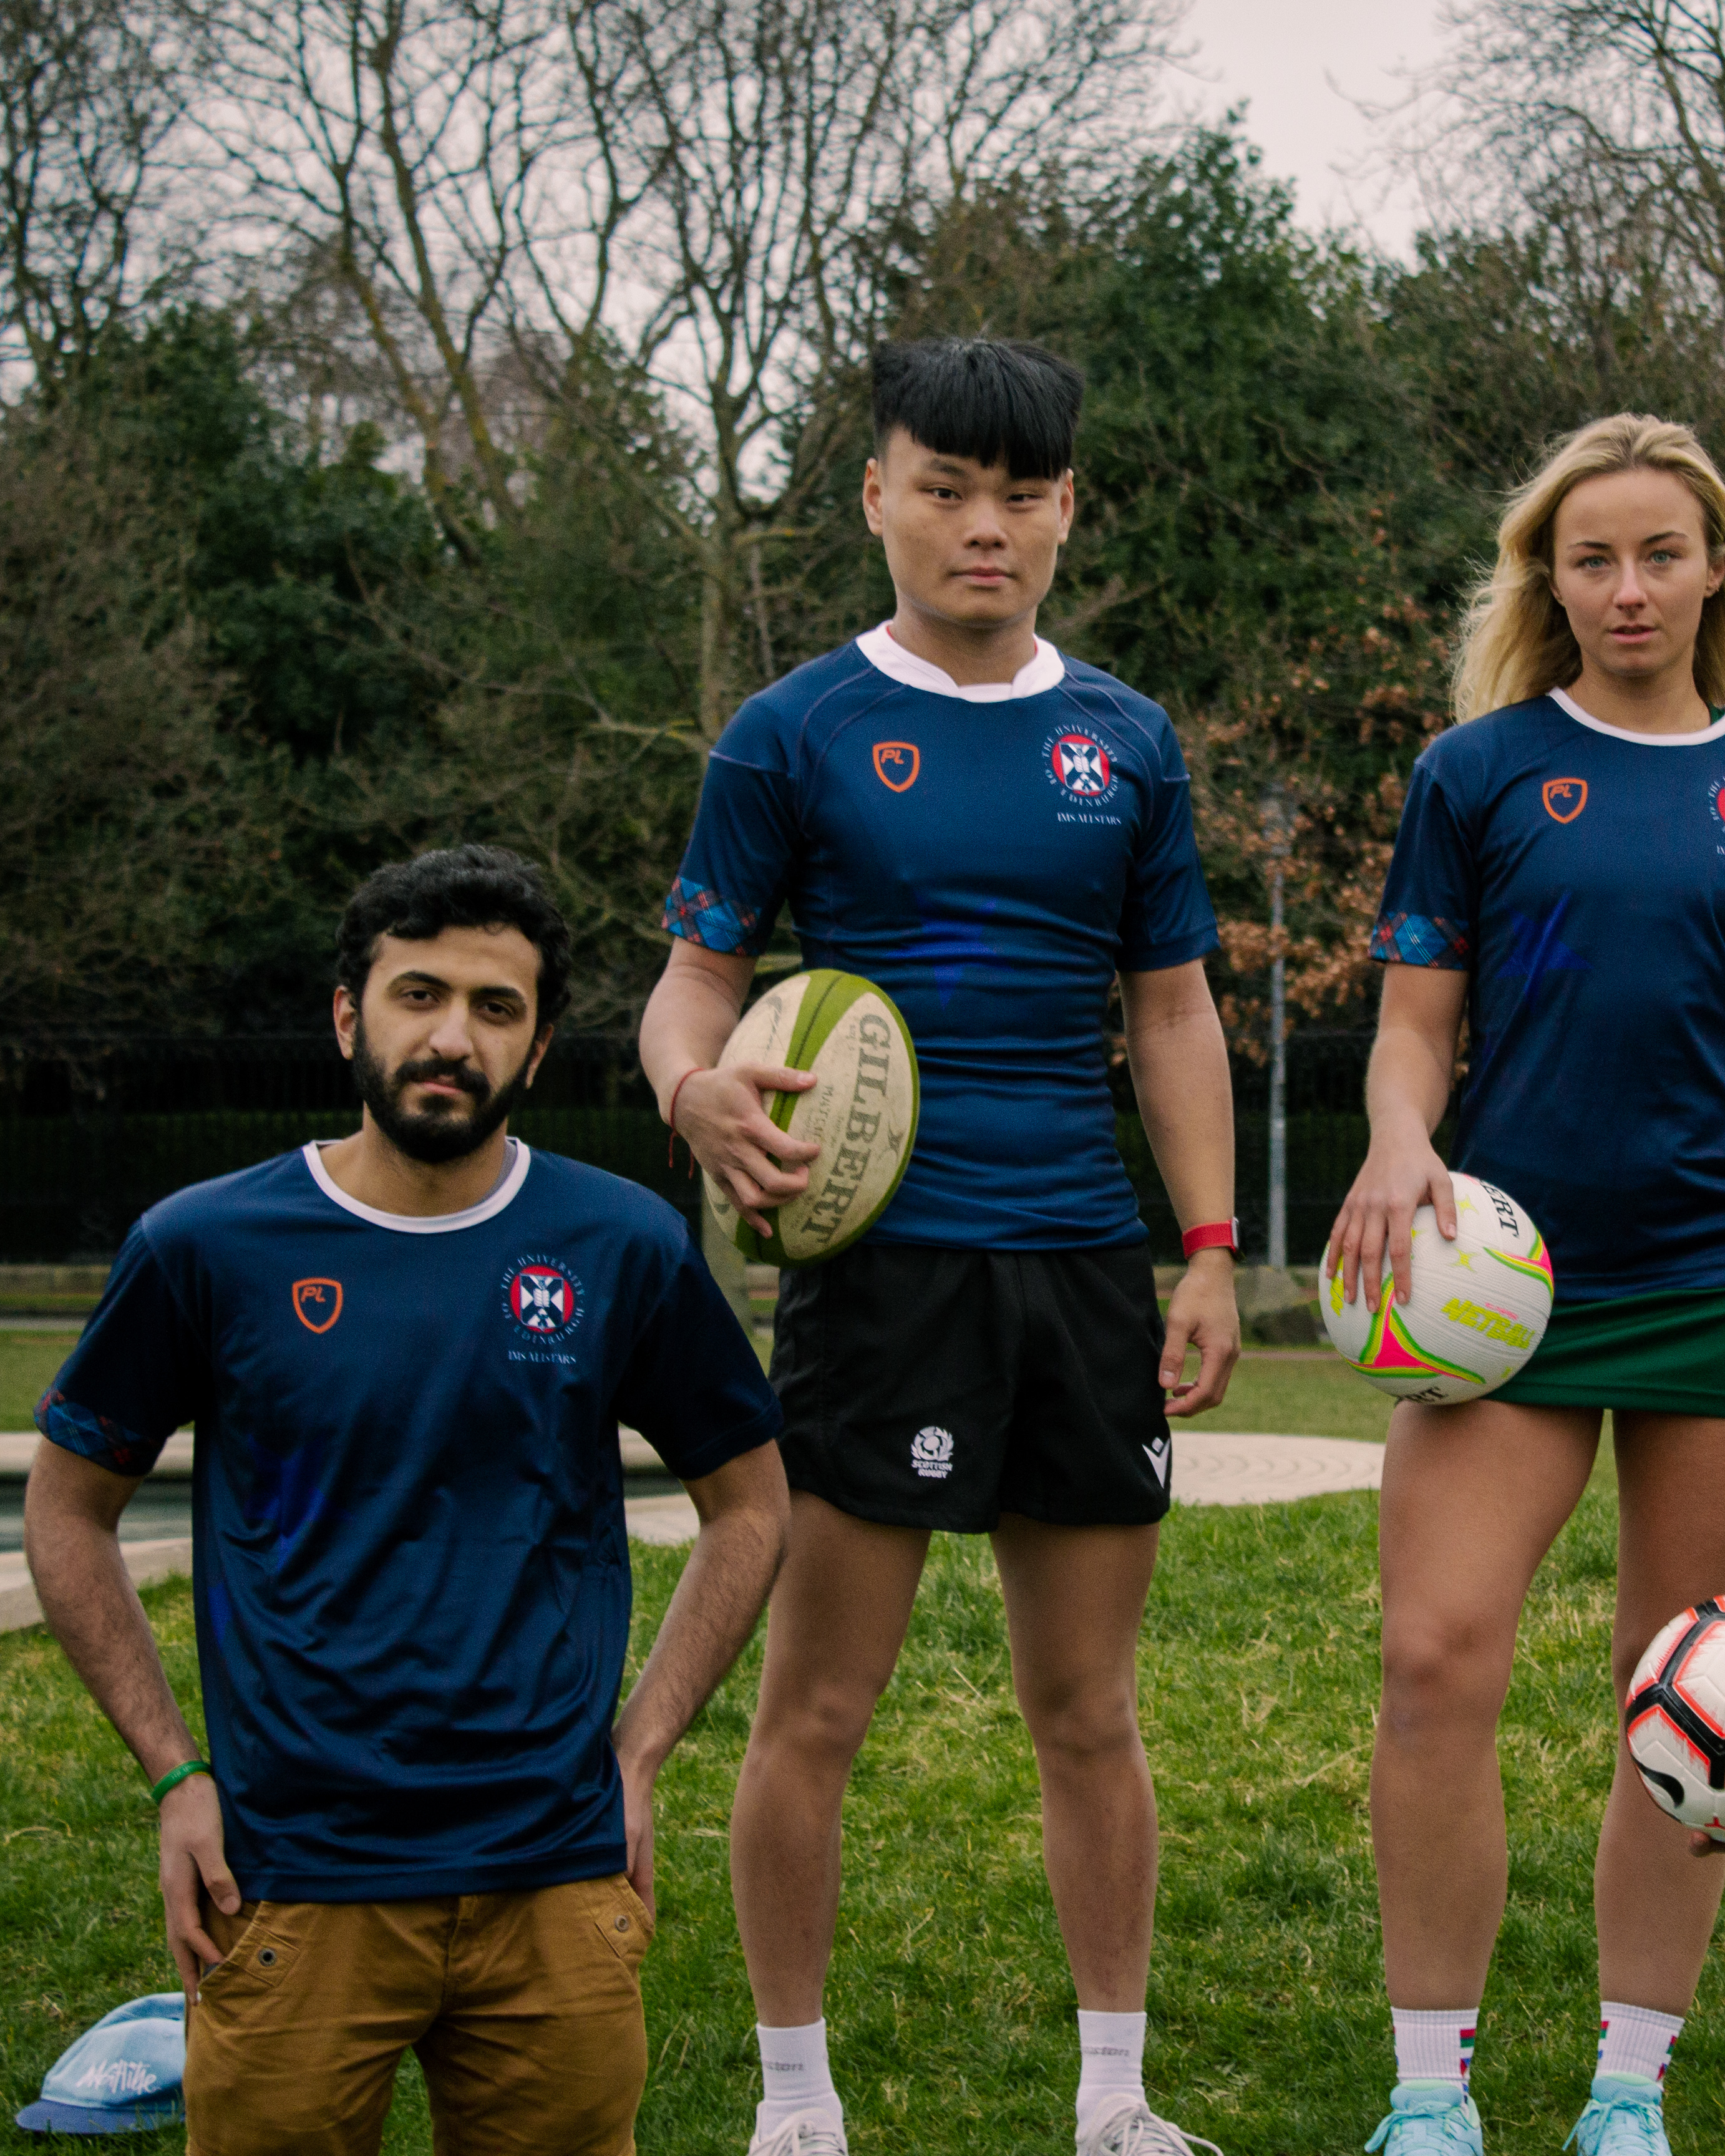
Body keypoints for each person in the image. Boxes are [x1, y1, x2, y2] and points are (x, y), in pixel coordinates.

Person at [641, 336, 1242, 2156]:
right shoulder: (795, 729)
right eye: (950, 488)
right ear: (880, 497)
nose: (988, 526)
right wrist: (691, 1097)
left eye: (1025, 494)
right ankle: (796, 2107)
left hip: (1078, 1269)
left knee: (1089, 1708)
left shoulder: (1125, 740)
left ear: (1066, 511)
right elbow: (692, 987)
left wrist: (1205, 1249)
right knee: (817, 1706)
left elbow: (1173, 1013)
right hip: (879, 1272)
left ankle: (1118, 2109)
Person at [24, 846, 789, 2156]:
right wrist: (174, 1775)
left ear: (540, 1047)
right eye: (418, 994)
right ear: (347, 1016)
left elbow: (754, 1504)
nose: (452, 1037)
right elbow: (66, 1510)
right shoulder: (206, 1246)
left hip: (555, 1876)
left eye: (498, 1009)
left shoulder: (620, 1247)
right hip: (291, 1882)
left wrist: (642, 1751)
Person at [1328, 413, 1725, 2156]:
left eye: (1659, 553)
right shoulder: (1477, 773)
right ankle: (1433, 2100)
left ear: (1715, 568)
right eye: (1591, 558)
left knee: (1687, 1707)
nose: (1627, 586)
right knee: (1432, 1661)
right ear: (1545, 582)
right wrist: (1399, 1148)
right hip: (1512, 1287)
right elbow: (1413, 1034)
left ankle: (1627, 2092)